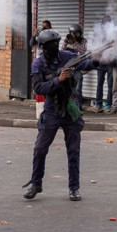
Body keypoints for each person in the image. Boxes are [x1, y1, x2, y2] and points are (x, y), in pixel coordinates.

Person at [23, 29, 99, 202]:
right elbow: (38, 88)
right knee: (40, 149)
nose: (55, 46)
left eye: (57, 42)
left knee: (73, 151)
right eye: (52, 44)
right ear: (43, 46)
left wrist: (96, 59)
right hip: (52, 109)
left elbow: (84, 63)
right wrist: (58, 80)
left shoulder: (67, 56)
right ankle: (36, 184)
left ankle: (74, 188)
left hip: (70, 107)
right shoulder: (38, 64)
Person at [63, 24, 87, 109]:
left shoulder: (83, 41)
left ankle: (78, 107)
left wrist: (74, 42)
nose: (74, 35)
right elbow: (62, 51)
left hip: (77, 68)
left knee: (77, 90)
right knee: (68, 89)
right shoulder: (68, 40)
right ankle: (69, 107)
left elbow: (83, 52)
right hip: (69, 69)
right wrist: (66, 42)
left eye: (76, 33)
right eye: (72, 33)